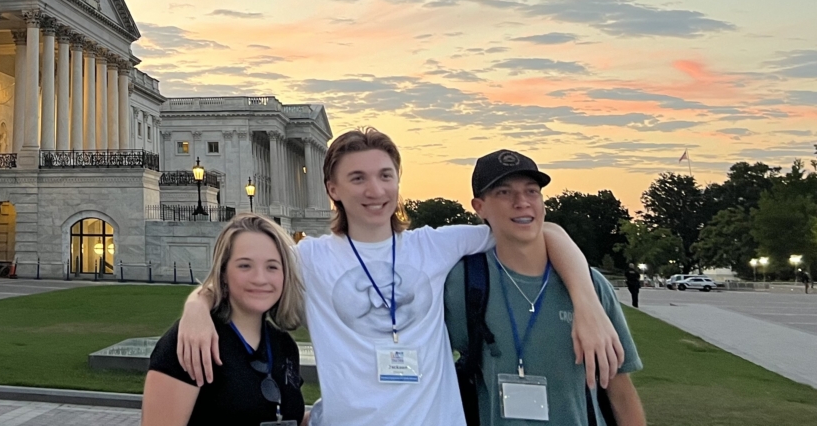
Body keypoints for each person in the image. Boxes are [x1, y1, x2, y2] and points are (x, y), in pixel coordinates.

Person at [176, 128, 624, 426]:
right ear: (333, 189)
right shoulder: (309, 257)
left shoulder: (435, 245)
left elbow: (543, 229)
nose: (375, 190)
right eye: (358, 178)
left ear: (397, 181)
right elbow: (242, 274)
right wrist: (196, 306)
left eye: (385, 176)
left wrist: (587, 306)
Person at [446, 150, 646, 426]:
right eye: (504, 193)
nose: (522, 202)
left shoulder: (591, 286)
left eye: (532, 191)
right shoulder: (464, 282)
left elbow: (620, 392)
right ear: (479, 207)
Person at [145, 214, 308, 426]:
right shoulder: (192, 342)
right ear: (223, 272)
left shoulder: (284, 346)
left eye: (272, 267)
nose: (260, 278)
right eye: (244, 266)